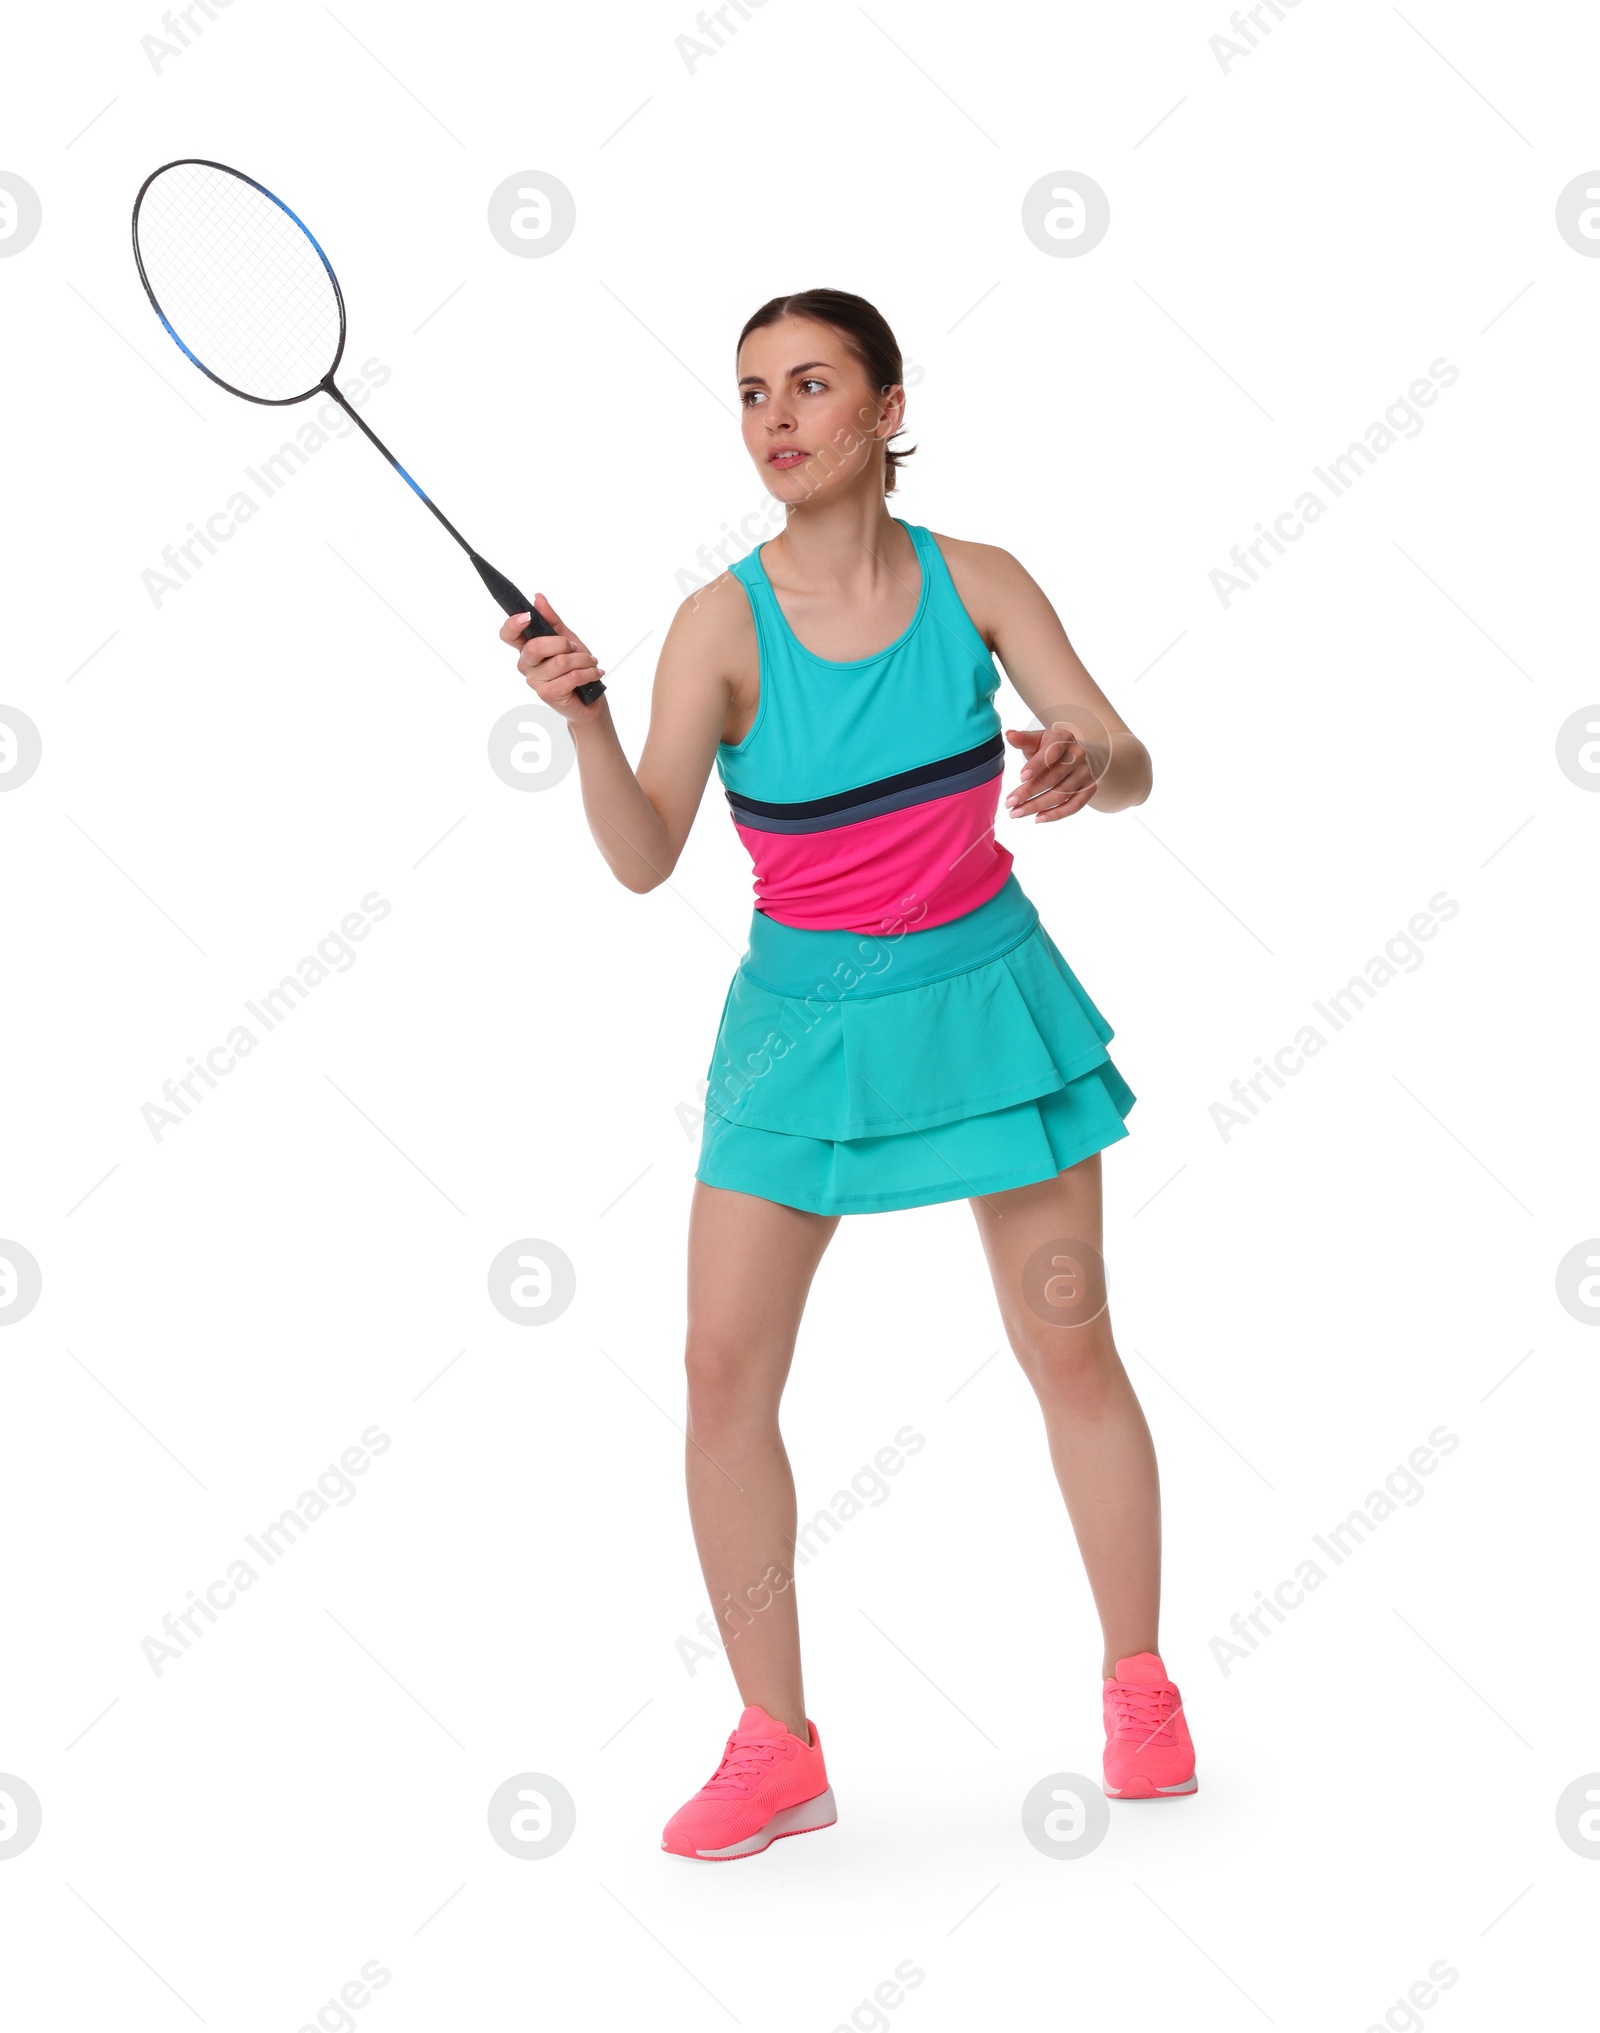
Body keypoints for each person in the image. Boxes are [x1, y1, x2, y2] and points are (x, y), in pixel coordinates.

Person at [499, 288, 1197, 1863]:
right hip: (798, 1033)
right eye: (751, 393)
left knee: (1070, 1351)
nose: (776, 419)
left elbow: (1126, 751)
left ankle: (1141, 1684)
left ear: (888, 405)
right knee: (718, 1373)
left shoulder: (982, 580)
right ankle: (776, 1743)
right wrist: (587, 722)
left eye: (811, 384)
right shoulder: (719, 626)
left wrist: (1087, 760)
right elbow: (640, 854)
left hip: (984, 1001)